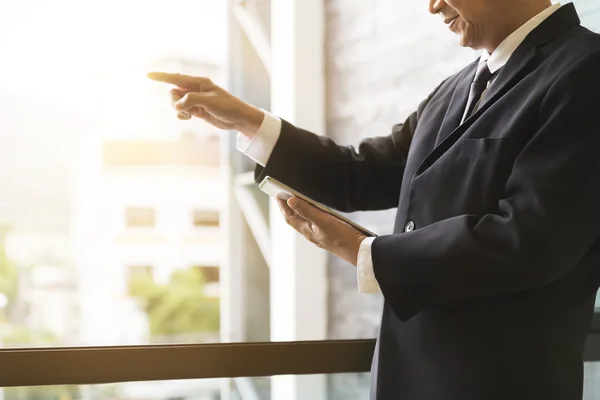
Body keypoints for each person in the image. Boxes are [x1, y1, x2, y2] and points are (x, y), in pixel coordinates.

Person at [148, 0, 600, 398]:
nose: (432, 6)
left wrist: (361, 251)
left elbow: (530, 240)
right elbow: (361, 172)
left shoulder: (585, 70)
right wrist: (247, 121)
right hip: (405, 380)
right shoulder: (454, 89)